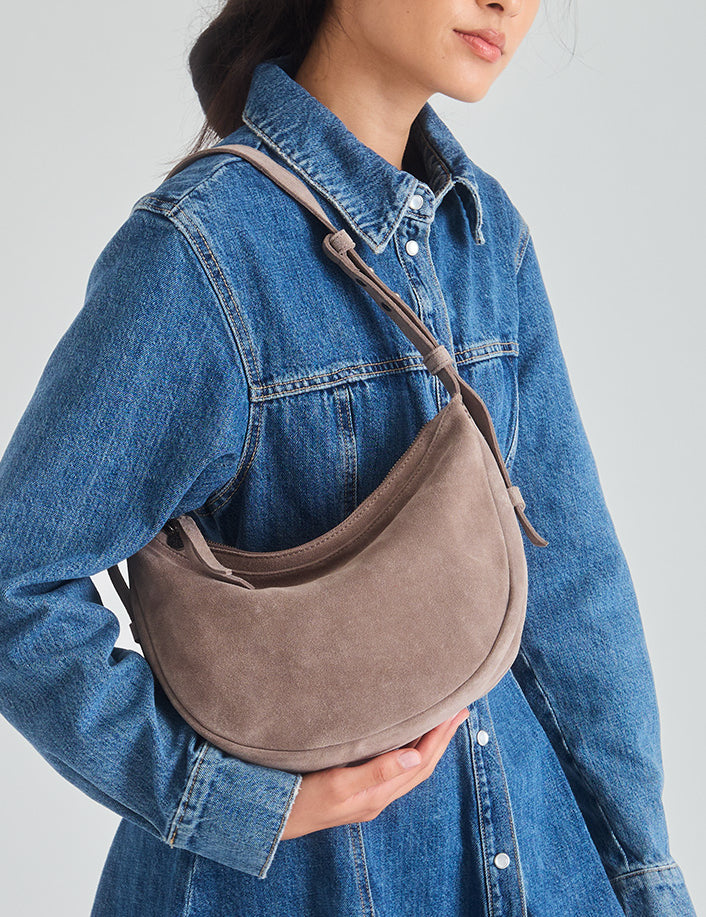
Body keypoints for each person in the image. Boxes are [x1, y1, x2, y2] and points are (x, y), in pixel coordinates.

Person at [0, 0, 697, 914]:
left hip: (540, 870)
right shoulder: (201, 251)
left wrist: (647, 879)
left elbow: (571, 588)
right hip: (294, 886)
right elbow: (16, 582)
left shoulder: (486, 237)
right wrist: (232, 801)